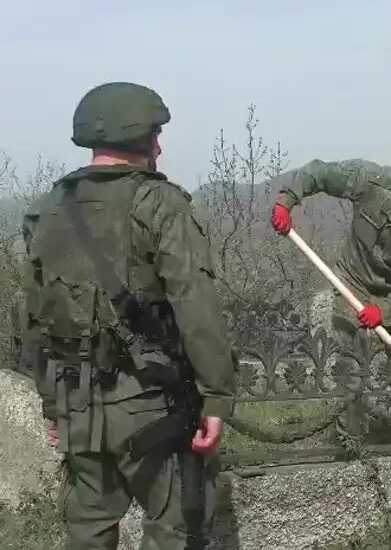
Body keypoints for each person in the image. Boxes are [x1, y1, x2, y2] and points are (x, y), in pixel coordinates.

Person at [19, 81, 237, 549]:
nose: (160, 143)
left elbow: (35, 318)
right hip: (150, 402)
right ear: (137, 136)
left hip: (76, 402)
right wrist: (217, 397)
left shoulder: (46, 210)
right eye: (155, 133)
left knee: (89, 531)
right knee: (176, 524)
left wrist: (52, 402)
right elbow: (196, 306)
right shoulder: (160, 203)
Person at [270, 155, 391, 420]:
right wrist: (286, 201)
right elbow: (319, 172)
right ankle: (352, 433)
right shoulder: (373, 182)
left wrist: (385, 310)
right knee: (352, 361)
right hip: (350, 283)